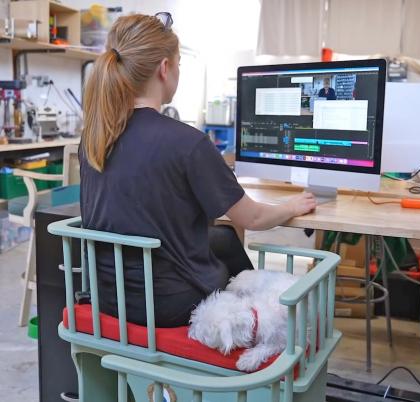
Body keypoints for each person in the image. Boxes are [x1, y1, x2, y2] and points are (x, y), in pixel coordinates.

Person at [80, 13, 317, 328]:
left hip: (110, 297)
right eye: (178, 63)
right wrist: (292, 205)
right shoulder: (187, 142)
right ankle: (250, 320)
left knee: (223, 237)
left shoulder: (95, 136)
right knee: (228, 242)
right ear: (165, 68)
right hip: (168, 305)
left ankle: (247, 310)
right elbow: (253, 219)